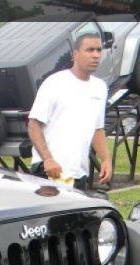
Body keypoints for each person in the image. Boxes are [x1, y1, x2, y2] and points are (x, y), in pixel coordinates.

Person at [27, 32, 113, 191]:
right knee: (51, 215)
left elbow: (97, 129)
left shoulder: (100, 87)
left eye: (99, 50)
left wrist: (106, 159)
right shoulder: (55, 83)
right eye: (90, 50)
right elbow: (34, 124)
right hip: (51, 170)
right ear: (75, 54)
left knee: (74, 215)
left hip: (78, 174)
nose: (96, 55)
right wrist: (48, 160)